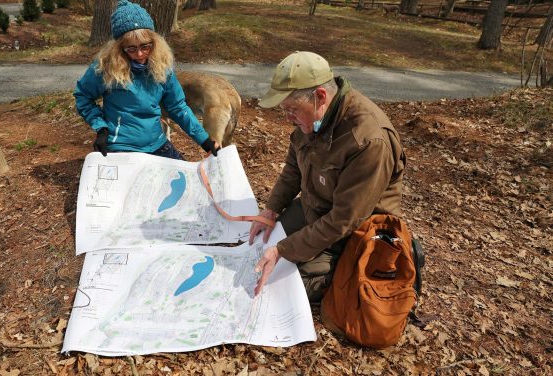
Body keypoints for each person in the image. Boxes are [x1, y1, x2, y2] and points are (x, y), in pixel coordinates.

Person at [249, 51, 406, 302]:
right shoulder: (313, 117)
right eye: (284, 110)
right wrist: (271, 209)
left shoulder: (368, 140)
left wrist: (282, 251)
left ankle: (340, 274)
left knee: (286, 283)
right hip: (316, 208)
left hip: (352, 232)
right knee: (263, 241)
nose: (287, 118)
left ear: (320, 97)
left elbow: (344, 220)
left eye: (292, 109)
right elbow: (293, 167)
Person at [74, 0, 219, 160]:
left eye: (145, 46)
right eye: (131, 49)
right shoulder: (105, 67)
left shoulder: (161, 66)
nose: (140, 54)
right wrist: (101, 128)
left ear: (154, 42)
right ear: (119, 48)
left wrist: (204, 140)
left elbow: (177, 107)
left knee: (186, 180)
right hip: (121, 146)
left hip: (157, 142)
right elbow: (83, 97)